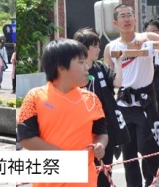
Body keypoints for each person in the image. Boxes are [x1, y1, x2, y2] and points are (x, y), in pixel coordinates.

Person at [18, 38, 107, 187]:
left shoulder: (92, 100)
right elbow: (25, 138)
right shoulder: (35, 97)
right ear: (61, 67)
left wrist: (100, 145)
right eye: (81, 62)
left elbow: (101, 133)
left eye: (86, 62)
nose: (87, 67)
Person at [103, 4, 159, 187]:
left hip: (145, 101)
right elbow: (108, 79)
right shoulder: (111, 47)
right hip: (123, 103)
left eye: (130, 15)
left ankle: (157, 180)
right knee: (129, 154)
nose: (127, 19)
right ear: (115, 22)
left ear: (135, 19)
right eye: (122, 16)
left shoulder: (146, 37)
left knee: (147, 146)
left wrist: (152, 45)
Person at [74, 28, 130, 187]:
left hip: (104, 127)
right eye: (96, 46)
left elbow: (118, 83)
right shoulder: (73, 71)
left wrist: (119, 63)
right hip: (82, 128)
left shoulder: (100, 68)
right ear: (84, 48)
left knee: (105, 169)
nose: (99, 49)